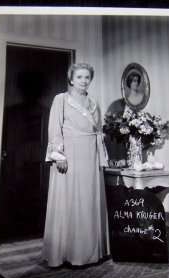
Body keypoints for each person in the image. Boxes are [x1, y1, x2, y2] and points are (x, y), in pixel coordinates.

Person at [42, 63, 110, 267]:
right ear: (71, 79)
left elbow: (98, 131)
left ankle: (89, 253)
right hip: (69, 155)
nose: (83, 80)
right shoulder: (61, 99)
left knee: (88, 201)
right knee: (69, 201)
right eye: (79, 77)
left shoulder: (93, 102)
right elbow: (55, 128)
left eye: (87, 77)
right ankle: (65, 254)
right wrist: (59, 156)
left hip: (90, 155)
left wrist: (101, 155)